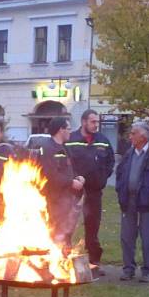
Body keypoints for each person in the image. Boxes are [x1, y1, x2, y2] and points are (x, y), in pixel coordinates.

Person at [115, 122, 149, 283]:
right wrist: (121, 191)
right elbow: (120, 173)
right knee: (126, 237)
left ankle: (147, 270)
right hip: (129, 201)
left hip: (148, 203)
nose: (130, 136)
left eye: (133, 133)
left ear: (143, 136)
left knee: (147, 238)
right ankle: (128, 269)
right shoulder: (129, 153)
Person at [65, 109, 114, 277]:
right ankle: (63, 259)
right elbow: (64, 162)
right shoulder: (71, 140)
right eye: (93, 122)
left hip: (94, 191)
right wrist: (72, 180)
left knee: (92, 227)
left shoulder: (103, 141)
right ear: (84, 121)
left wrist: (102, 178)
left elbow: (110, 162)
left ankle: (94, 263)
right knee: (68, 225)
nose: (96, 125)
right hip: (73, 191)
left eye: (97, 122)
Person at [39, 117, 85, 248]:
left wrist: (78, 177)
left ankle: (64, 263)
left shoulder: (64, 147)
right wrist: (71, 182)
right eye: (69, 128)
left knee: (66, 233)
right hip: (54, 201)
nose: (70, 132)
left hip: (67, 200)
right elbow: (50, 174)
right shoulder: (48, 148)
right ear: (61, 130)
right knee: (55, 233)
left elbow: (68, 168)